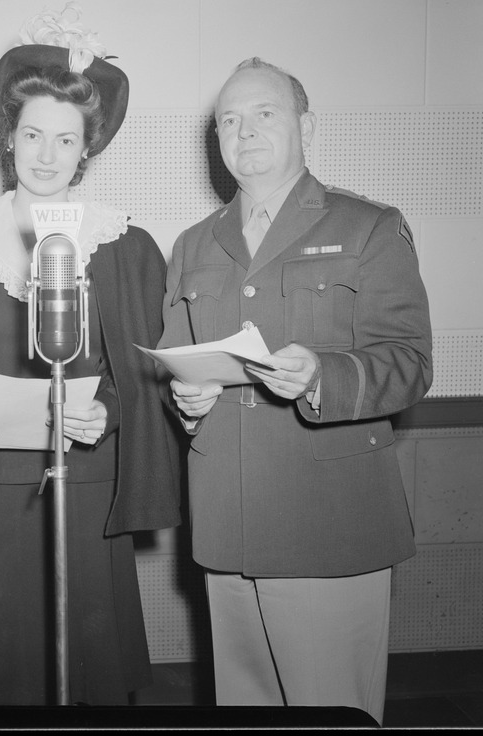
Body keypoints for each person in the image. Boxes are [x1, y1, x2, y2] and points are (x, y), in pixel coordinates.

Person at [0, 5, 182, 705]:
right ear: (7, 138)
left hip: (82, 483)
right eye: (32, 134)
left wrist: (110, 415)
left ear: (86, 148)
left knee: (82, 675)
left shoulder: (124, 245)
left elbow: (144, 371)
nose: (45, 154)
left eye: (64, 140)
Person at [158, 57, 433, 724]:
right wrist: (184, 400)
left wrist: (324, 375)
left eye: (263, 114)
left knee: (330, 710)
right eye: (227, 120)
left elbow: (409, 363)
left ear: (305, 125)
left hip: (327, 525)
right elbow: (175, 361)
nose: (242, 131)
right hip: (226, 521)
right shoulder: (193, 243)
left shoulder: (366, 226)